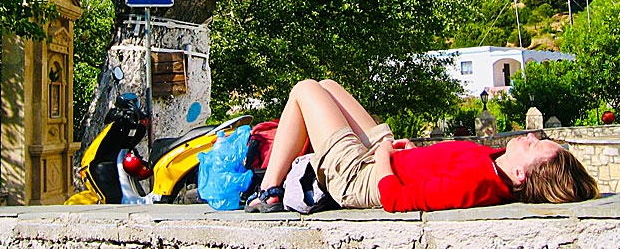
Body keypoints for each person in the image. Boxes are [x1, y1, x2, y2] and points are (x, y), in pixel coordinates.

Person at [245, 79, 598, 213]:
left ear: (520, 174)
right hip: (390, 161)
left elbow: (395, 201)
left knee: (306, 89)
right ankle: (270, 186)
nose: (531, 136)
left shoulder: (477, 182)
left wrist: (383, 157)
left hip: (362, 179)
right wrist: (409, 153)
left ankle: (269, 190)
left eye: (537, 146)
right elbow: (437, 167)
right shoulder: (492, 161)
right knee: (329, 86)